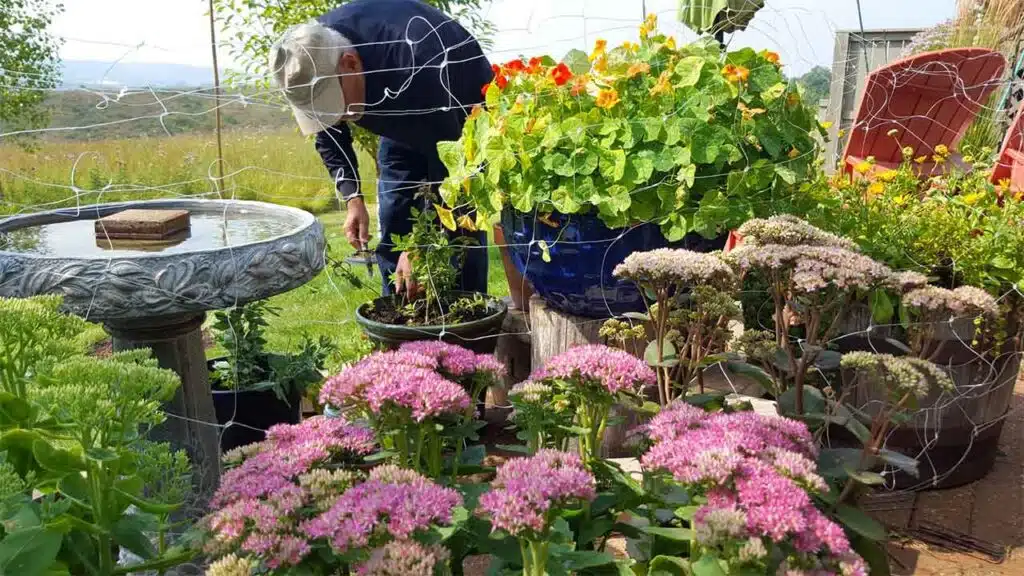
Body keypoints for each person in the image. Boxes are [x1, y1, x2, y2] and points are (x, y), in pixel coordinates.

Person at [270, 0, 492, 296]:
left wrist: (422, 244)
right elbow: (328, 132)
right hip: (399, 118)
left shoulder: (417, 59)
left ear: (351, 63)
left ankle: (471, 321)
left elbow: (453, 166)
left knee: (462, 229)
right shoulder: (311, 54)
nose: (337, 116)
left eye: (336, 106)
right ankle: (400, 321)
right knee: (395, 223)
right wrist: (353, 198)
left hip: (460, 119)